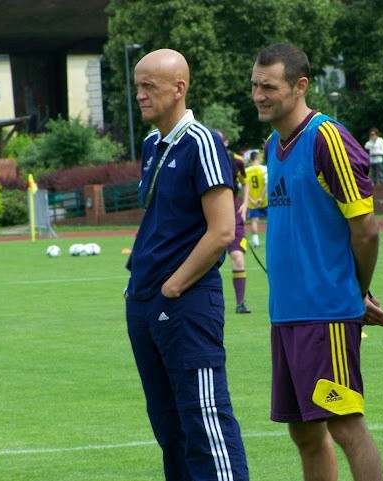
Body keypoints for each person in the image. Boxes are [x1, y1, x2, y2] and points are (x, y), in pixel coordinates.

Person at [252, 42, 383, 481]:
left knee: (346, 426)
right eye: (255, 86)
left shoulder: (327, 137)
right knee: (304, 433)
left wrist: (355, 291)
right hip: (287, 313)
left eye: (269, 87)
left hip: (326, 314)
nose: (258, 95)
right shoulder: (274, 144)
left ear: (300, 86)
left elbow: (366, 228)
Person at [124, 48, 249, 481]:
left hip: (185, 303)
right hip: (145, 301)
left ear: (179, 88)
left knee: (204, 420)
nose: (139, 95)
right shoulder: (152, 145)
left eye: (149, 86)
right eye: (137, 85)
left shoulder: (202, 142)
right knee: (168, 426)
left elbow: (221, 231)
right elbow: (159, 220)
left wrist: (173, 286)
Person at [216, 129, 252, 314]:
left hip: (234, 217)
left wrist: (245, 204)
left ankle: (240, 303)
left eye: (220, 141)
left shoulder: (236, 160)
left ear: (226, 142)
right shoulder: (201, 158)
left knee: (237, 258)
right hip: (211, 219)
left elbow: (246, 182)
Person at [244, 150, 268, 248]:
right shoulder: (264, 169)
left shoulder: (246, 171)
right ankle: (272, 240)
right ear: (257, 158)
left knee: (254, 221)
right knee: (271, 220)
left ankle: (256, 243)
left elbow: (244, 187)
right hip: (264, 200)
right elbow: (267, 184)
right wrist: (261, 198)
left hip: (252, 202)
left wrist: (251, 200)